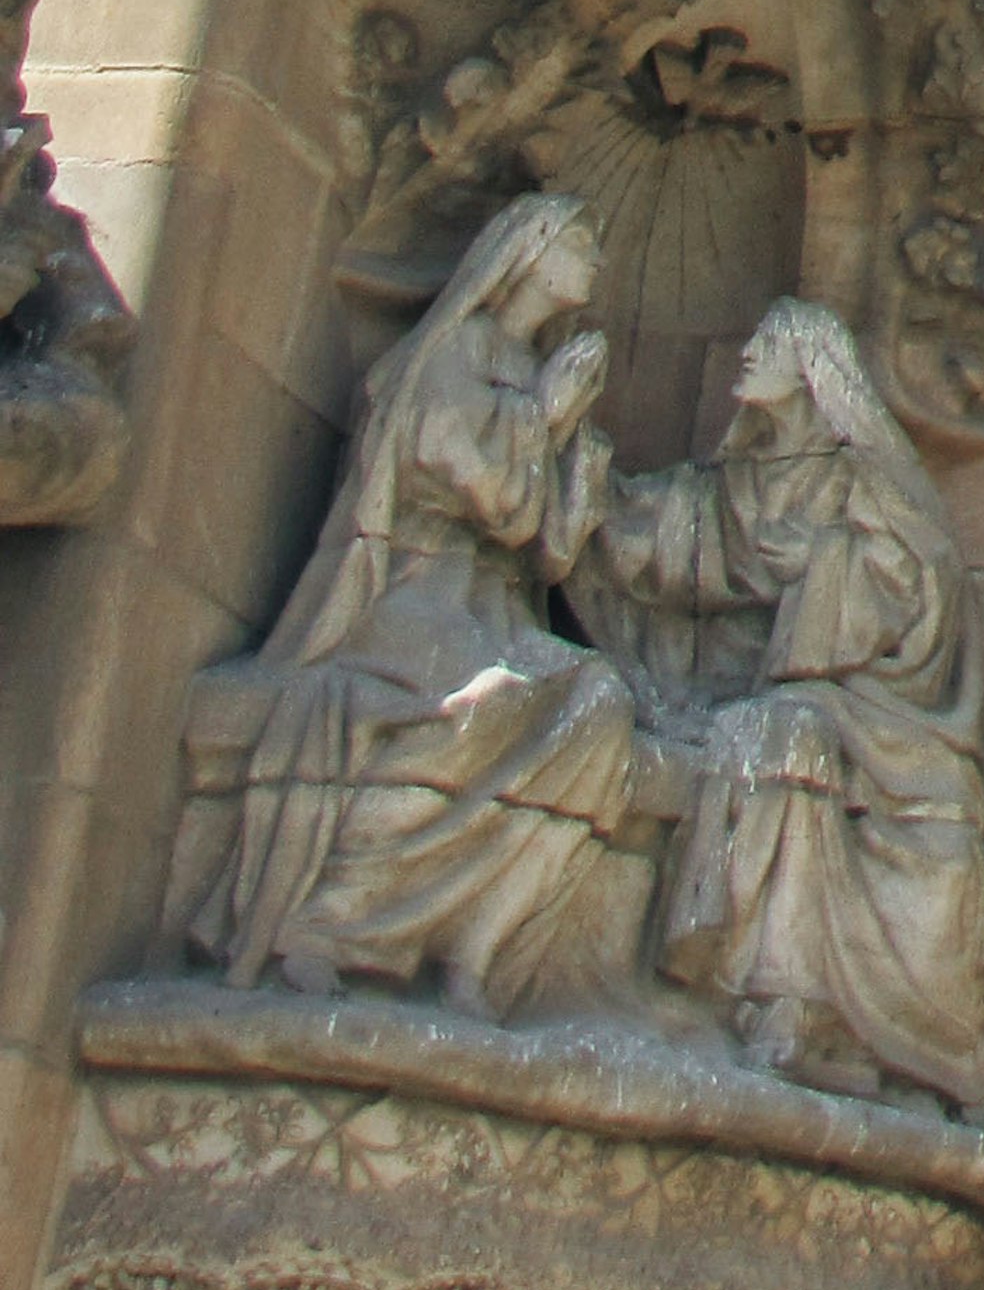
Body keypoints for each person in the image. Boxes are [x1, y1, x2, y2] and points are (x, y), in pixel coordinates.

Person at [167, 196, 675, 1022]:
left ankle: (476, 943)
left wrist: (578, 470)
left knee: (603, 708)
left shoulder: (536, 374)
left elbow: (544, 550)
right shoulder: (448, 356)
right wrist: (540, 419)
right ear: (529, 251)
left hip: (494, 612)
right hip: (411, 600)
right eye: (581, 241)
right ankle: (332, 922)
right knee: (492, 702)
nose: (596, 261)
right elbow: (473, 488)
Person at [585, 300, 984, 1113]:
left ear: (813, 373)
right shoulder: (739, 483)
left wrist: (823, 563)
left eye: (770, 343)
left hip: (880, 715)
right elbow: (674, 540)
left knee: (778, 733)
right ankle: (760, 996)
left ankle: (789, 1004)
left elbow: (918, 589)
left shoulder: (861, 483)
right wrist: (572, 469)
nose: (749, 354)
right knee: (765, 729)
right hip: (787, 701)